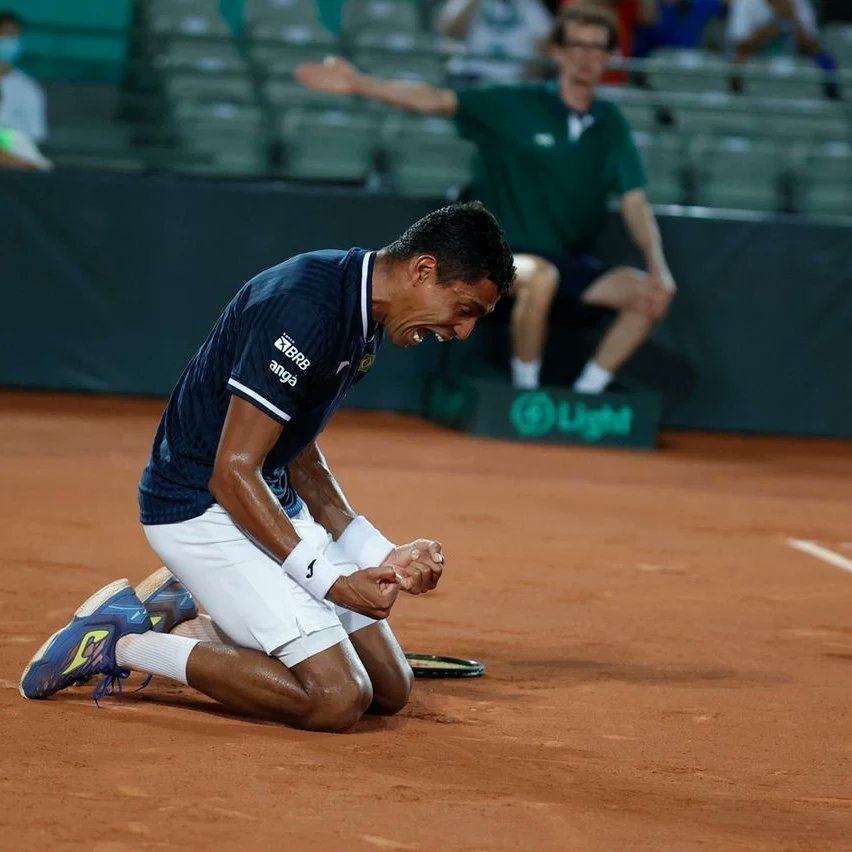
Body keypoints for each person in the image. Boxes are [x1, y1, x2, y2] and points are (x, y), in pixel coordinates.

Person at [19, 202, 516, 732]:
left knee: (390, 689)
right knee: (336, 698)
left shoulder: (364, 316)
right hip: (198, 508)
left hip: (262, 499)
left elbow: (300, 454)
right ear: (423, 270)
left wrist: (382, 553)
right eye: (464, 310)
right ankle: (123, 643)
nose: (462, 332)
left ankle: (192, 611)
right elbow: (230, 471)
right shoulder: (304, 308)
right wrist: (331, 584)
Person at [295, 3, 676, 393]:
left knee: (648, 293)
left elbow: (634, 201)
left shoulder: (611, 124)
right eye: (577, 45)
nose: (587, 56)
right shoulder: (513, 103)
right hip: (503, 257)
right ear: (557, 52)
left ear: (610, 56)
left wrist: (659, 267)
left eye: (597, 48)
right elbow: (436, 100)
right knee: (541, 277)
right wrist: (359, 83)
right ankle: (524, 395)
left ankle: (585, 396)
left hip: (570, 259)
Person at [727, 0, 841, 98]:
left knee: (827, 61)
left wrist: (792, 18)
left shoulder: (798, 3)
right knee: (735, 63)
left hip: (795, 61)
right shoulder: (746, 3)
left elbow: (813, 47)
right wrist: (765, 32)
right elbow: (739, 46)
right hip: (757, 60)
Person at [439, 0, 554, 84]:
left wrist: (524, 85)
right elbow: (452, 33)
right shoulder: (465, 2)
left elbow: (544, 49)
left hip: (511, 83)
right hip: (468, 77)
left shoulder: (531, 6)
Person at [0, 11, 49, 170]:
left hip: (18, 164)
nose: (7, 41)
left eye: (12, 36)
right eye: (3, 34)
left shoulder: (29, 89)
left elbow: (34, 136)